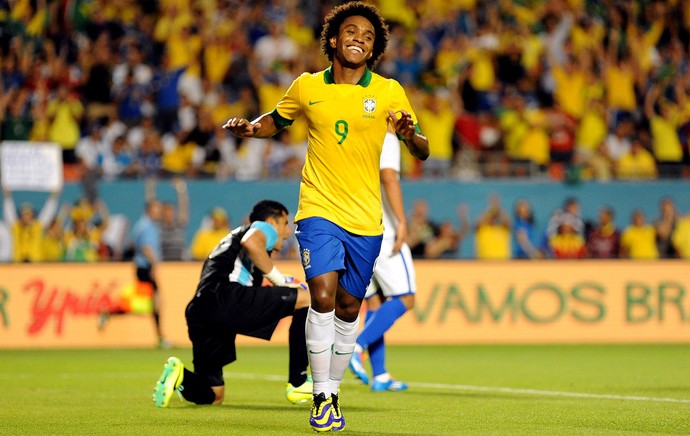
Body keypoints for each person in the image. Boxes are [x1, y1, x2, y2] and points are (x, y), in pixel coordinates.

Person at [222, 2, 429, 432]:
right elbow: (273, 121)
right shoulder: (307, 86)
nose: (359, 39)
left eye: (368, 37)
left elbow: (421, 147)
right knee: (322, 296)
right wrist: (249, 129)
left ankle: (333, 391)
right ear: (334, 39)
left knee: (351, 308)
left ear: (374, 51)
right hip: (318, 209)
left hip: (366, 220)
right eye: (351, 32)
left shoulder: (389, 92)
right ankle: (321, 397)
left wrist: (411, 135)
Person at [152, 200, 312, 408]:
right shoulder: (262, 228)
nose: (288, 231)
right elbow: (252, 243)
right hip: (226, 297)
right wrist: (280, 280)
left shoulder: (231, 239)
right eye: (284, 223)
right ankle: (298, 382)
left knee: (213, 394)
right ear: (272, 221)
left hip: (201, 310)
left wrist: (283, 281)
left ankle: (180, 376)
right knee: (306, 299)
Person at [348, 130, 414, 392]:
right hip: (383, 229)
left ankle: (381, 375)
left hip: (357, 230)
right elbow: (388, 176)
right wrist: (401, 221)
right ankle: (356, 347)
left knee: (374, 303)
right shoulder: (384, 137)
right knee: (406, 298)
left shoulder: (358, 136)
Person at [98, 199, 169, 347]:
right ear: (150, 210)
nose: (159, 211)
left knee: (145, 304)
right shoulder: (147, 227)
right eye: (156, 208)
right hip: (145, 269)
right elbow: (146, 248)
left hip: (142, 268)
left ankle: (109, 313)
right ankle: (161, 338)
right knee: (150, 304)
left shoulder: (143, 225)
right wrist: (154, 266)